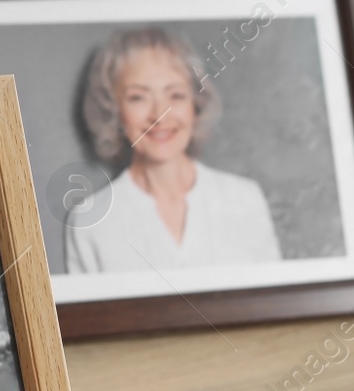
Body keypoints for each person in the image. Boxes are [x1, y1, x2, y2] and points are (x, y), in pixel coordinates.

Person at [65, 27, 281, 273]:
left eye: (176, 95)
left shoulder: (244, 199)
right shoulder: (90, 220)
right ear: (113, 110)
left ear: (195, 104)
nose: (160, 115)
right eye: (138, 97)